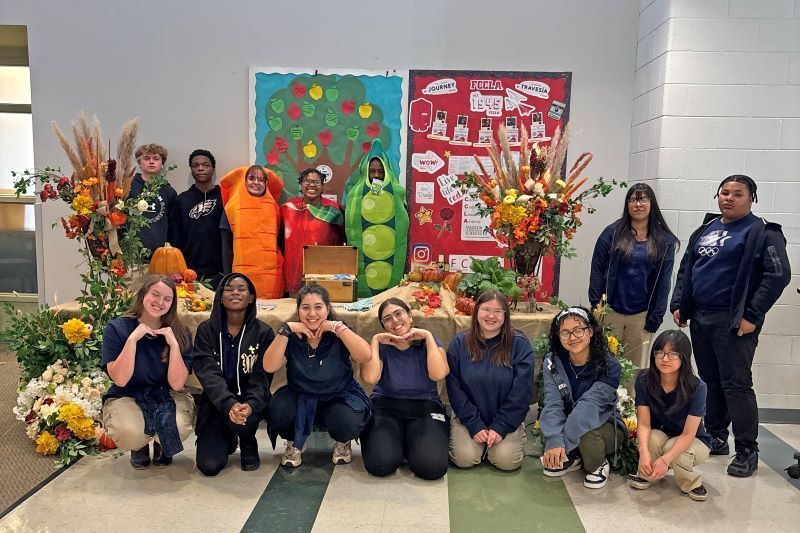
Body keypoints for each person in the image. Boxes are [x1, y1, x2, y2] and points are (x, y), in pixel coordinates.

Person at [671, 174, 791, 477]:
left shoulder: (763, 232)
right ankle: (716, 436)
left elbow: (778, 276)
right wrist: (679, 303)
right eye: (724, 193)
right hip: (701, 317)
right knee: (710, 380)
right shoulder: (706, 229)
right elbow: (687, 267)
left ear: (751, 198)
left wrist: (752, 315)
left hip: (735, 321)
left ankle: (747, 450)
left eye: (738, 194)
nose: (729, 198)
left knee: (736, 384)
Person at [264, 285, 372, 467]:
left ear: (328, 309)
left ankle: (343, 441)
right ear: (298, 310)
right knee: (278, 410)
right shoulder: (291, 335)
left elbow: (365, 356)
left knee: (347, 420)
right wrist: (285, 329)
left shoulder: (339, 332)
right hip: (300, 394)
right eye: (305, 307)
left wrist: (337, 327)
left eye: (318, 307)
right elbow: (269, 366)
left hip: (339, 395)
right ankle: (294, 440)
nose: (312, 313)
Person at [100, 275, 194, 469]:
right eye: (155, 294)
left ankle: (162, 444)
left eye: (167, 299)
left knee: (178, 425)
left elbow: (177, 384)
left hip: (168, 393)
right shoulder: (117, 328)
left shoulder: (180, 332)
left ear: (172, 304)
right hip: (128, 393)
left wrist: (174, 345)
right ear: (143, 294)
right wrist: (132, 339)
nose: (160, 302)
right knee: (129, 430)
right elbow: (120, 379)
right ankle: (139, 445)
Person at [589, 182, 678, 370]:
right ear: (627, 204)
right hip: (609, 312)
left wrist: (656, 317)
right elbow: (596, 269)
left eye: (643, 199)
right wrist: (597, 307)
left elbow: (664, 283)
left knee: (634, 370)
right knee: (603, 366)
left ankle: (631, 394)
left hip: (641, 316)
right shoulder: (611, 233)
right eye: (633, 200)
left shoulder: (665, 241)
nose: (638, 204)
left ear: (652, 204)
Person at [192, 273, 274, 475]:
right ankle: (228, 437)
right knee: (209, 466)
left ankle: (247, 441)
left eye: (241, 289)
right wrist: (229, 404)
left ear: (251, 297)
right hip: (217, 402)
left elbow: (262, 377)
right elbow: (207, 373)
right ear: (220, 296)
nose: (235, 292)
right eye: (228, 289)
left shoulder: (263, 332)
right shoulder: (206, 330)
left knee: (247, 420)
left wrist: (250, 405)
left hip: (248, 403)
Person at [360, 298, 450, 480]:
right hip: (385, 405)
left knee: (432, 467)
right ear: (384, 326)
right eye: (387, 319)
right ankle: (399, 444)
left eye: (398, 314)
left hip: (425, 406)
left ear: (410, 316)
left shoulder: (429, 341)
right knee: (379, 464)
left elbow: (439, 374)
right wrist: (375, 341)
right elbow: (370, 378)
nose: (395, 321)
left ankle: (409, 443)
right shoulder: (382, 345)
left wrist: (428, 337)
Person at [446, 289, 534, 472]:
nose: (491, 316)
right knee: (464, 458)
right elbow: (454, 389)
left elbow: (521, 392)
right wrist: (474, 424)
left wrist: (501, 426)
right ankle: (476, 441)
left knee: (506, 461)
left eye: (498, 311)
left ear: (505, 315)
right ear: (476, 311)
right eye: (486, 309)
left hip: (505, 417)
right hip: (469, 417)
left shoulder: (519, 344)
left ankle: (511, 433)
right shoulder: (459, 343)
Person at [539, 306, 626, 489]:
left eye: (578, 330)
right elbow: (553, 403)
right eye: (565, 332)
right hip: (570, 423)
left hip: (603, 425)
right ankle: (574, 455)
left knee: (587, 430)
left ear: (591, 331)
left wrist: (558, 444)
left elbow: (589, 407)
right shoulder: (552, 362)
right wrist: (554, 439)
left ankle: (598, 463)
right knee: (552, 427)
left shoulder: (610, 366)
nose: (572, 337)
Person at [628, 330, 712, 501]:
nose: (665, 359)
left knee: (673, 449)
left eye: (673, 353)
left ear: (684, 357)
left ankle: (691, 483)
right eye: (660, 352)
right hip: (662, 434)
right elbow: (643, 423)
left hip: (694, 440)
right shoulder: (644, 379)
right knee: (651, 437)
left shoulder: (697, 387)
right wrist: (643, 451)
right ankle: (647, 474)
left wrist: (666, 460)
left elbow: (688, 434)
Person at [343, 139, 409, 297]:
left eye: (380, 171)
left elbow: (402, 222)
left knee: (389, 287)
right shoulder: (355, 193)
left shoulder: (397, 191)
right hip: (366, 249)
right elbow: (351, 225)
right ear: (365, 170)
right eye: (372, 171)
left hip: (389, 248)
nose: (376, 175)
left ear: (387, 170)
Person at [220, 164, 284, 299]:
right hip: (241, 275)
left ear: (266, 183)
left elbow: (281, 243)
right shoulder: (231, 209)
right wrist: (227, 277)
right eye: (251, 178)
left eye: (261, 180)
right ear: (244, 181)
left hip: (270, 277)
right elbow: (226, 247)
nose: (256, 182)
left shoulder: (275, 209)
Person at [280, 168, 345, 296]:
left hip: (324, 269)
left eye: (316, 182)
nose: (312, 185)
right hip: (294, 271)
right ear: (301, 184)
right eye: (307, 181)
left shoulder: (332, 209)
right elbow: (279, 239)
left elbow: (343, 238)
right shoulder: (288, 208)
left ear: (322, 186)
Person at [172, 149, 224, 287]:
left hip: (220, 269)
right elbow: (175, 236)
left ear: (213, 169)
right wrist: (178, 266)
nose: (201, 168)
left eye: (206, 165)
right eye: (196, 165)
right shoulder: (181, 200)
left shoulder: (224, 198)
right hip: (189, 270)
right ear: (191, 169)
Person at [128, 143, 177, 256]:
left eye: (156, 158)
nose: (151, 162)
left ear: (162, 163)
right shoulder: (128, 186)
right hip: (130, 254)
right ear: (139, 163)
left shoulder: (169, 192)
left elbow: (172, 225)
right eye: (146, 158)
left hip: (160, 255)